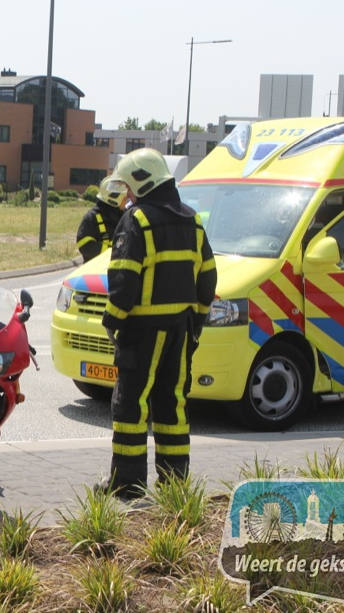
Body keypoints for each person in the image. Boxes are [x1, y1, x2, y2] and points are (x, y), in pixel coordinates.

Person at [99, 148, 216, 500]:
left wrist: (112, 321)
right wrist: (195, 322)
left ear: (141, 183)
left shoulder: (138, 221)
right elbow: (207, 280)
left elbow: (124, 280)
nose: (127, 197)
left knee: (130, 405)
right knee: (173, 404)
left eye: (129, 188)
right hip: (180, 330)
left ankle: (128, 485)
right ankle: (174, 486)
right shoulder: (193, 220)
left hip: (142, 332)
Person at [76, 176, 126, 263]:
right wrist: (110, 252)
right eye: (125, 197)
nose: (127, 199)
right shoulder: (92, 218)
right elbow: (84, 245)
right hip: (95, 272)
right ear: (115, 198)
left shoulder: (124, 216)